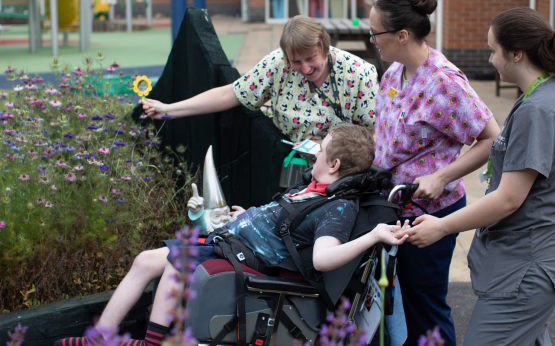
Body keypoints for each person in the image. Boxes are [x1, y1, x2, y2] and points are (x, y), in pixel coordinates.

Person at [55, 124, 411, 346]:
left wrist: (375, 234)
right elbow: (283, 222)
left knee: (170, 264)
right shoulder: (315, 188)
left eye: (322, 146)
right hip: (236, 241)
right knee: (145, 260)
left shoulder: (337, 207)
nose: (314, 149)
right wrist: (247, 217)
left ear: (334, 164)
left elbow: (322, 257)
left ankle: (150, 342)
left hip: (245, 258)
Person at [407, 7, 555, 345]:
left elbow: (508, 198)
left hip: (528, 265)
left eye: (493, 51)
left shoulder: (538, 110)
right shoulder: (545, 92)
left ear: (516, 53)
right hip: (531, 258)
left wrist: (441, 226)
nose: (489, 60)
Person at [369, 0, 501, 346]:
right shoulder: (394, 71)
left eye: (375, 33)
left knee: (424, 307)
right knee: (397, 307)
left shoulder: (444, 80)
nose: (371, 40)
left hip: (429, 213)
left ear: (402, 36)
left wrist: (442, 176)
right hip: (392, 207)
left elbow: (492, 139)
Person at [140, 16, 379, 143]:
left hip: (341, 169)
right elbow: (229, 94)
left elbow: (371, 135)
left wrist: (329, 147)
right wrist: (169, 109)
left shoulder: (360, 73)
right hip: (289, 162)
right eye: (296, 62)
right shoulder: (277, 63)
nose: (305, 68)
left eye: (311, 59)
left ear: (325, 48)